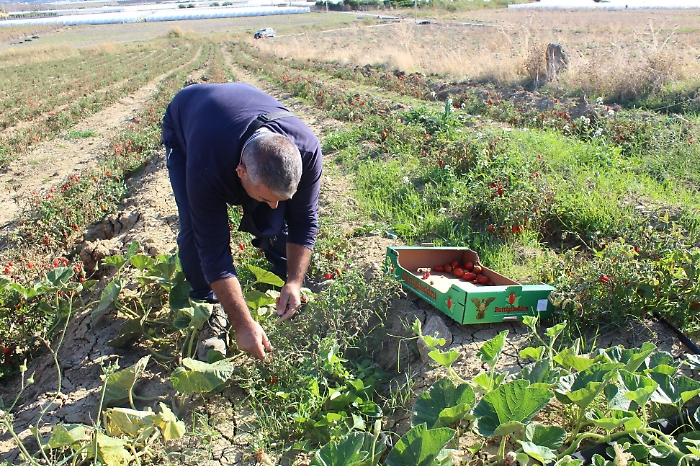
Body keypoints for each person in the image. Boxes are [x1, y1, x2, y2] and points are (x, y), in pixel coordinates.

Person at [162, 82, 322, 361]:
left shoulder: (307, 151)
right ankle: (210, 309)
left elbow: (305, 220)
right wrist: (242, 324)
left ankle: (285, 284)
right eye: (266, 196)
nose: (275, 205)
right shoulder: (206, 166)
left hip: (236, 118)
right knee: (193, 228)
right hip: (189, 123)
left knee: (278, 212)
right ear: (241, 172)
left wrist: (295, 281)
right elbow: (213, 251)